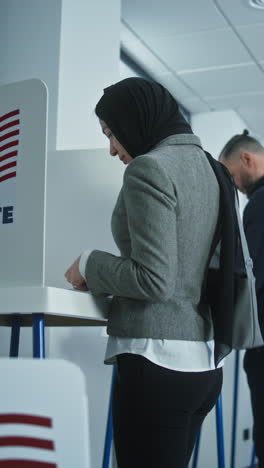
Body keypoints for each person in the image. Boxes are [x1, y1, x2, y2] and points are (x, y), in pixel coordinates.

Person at [65, 77, 223, 468]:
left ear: (134, 120)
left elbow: (153, 278)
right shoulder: (212, 170)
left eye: (111, 134)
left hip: (157, 360)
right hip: (204, 365)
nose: (111, 149)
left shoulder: (149, 169)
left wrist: (89, 263)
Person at [219, 130, 264, 468]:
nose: (233, 185)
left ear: (247, 159)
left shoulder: (259, 205)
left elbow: (251, 274)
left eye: (231, 174)